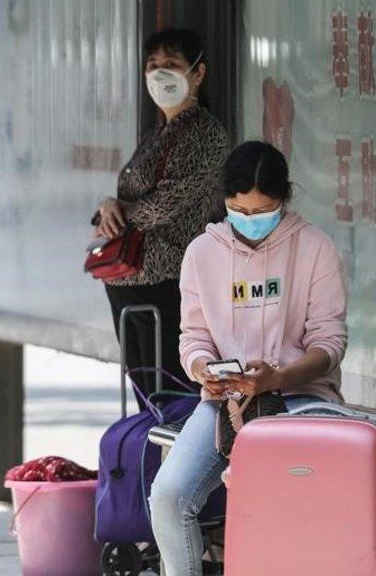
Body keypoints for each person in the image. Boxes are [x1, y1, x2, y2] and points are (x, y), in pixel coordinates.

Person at [147, 141, 348, 576]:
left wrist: (278, 377)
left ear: (283, 200)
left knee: (273, 492)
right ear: (225, 202)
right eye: (240, 212)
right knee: (168, 495)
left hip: (300, 398)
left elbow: (329, 345)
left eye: (262, 212)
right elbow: (193, 338)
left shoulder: (315, 248)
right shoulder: (202, 253)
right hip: (225, 402)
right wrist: (203, 369)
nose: (250, 223)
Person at [94, 28, 231, 399]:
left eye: (171, 65)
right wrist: (109, 207)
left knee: (171, 390)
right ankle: (153, 458)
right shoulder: (158, 132)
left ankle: (172, 458)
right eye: (152, 65)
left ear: (198, 73)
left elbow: (167, 201)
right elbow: (135, 197)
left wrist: (118, 213)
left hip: (169, 281)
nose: (159, 73)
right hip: (130, 279)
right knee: (145, 393)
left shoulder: (204, 133)